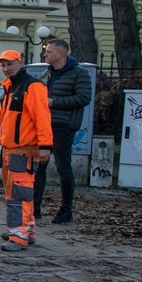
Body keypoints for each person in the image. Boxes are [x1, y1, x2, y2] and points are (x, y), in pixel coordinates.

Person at [0, 49, 53, 251]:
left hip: (23, 150)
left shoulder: (32, 87)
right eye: (3, 65)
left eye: (10, 64)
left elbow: (42, 118)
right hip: (10, 150)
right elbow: (6, 117)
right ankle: (27, 230)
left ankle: (18, 236)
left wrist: (45, 146)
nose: (6, 69)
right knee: (16, 192)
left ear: (20, 62)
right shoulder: (11, 88)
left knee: (19, 194)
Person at [34, 38, 92, 224]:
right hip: (44, 125)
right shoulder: (47, 74)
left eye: (49, 52)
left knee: (63, 167)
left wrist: (54, 102)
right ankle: (34, 209)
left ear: (61, 53)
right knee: (38, 165)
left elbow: (83, 98)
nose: (45, 54)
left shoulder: (79, 73)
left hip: (64, 126)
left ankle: (66, 210)